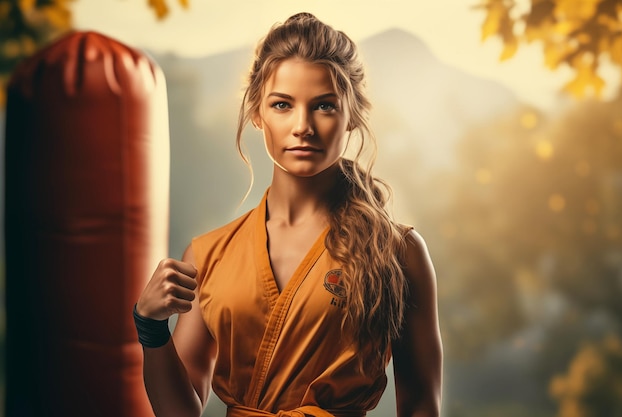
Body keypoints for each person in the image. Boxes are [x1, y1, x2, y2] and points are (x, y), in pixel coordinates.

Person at [134, 12, 442, 417]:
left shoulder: (398, 251)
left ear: (352, 117)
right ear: (258, 115)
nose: (303, 126)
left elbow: (421, 403)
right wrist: (151, 329)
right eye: (282, 104)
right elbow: (181, 412)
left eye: (324, 106)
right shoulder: (208, 255)